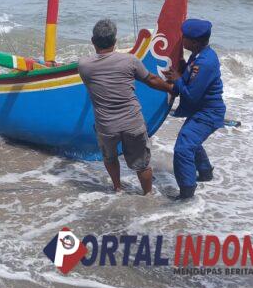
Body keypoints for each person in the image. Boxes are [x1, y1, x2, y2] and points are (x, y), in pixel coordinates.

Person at [79, 19, 174, 194]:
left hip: (106, 126)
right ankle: (148, 195)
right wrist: (172, 88)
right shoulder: (130, 61)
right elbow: (152, 80)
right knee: (142, 165)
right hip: (132, 123)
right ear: (115, 42)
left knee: (110, 158)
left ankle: (118, 188)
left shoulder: (84, 66)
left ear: (93, 41)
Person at [164, 19, 226, 199]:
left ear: (195, 42)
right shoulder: (199, 55)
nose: (182, 39)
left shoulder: (205, 62)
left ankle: (186, 192)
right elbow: (191, 76)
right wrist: (183, 70)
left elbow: (191, 94)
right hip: (202, 110)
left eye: (185, 38)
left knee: (183, 148)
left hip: (208, 113)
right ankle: (205, 173)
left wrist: (177, 79)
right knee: (190, 140)